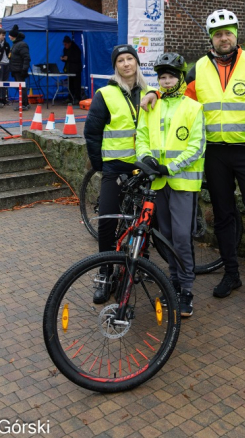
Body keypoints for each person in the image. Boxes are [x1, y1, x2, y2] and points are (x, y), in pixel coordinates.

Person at [182, 9, 245, 311]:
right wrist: (156, 95)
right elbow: (185, 108)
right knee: (223, 217)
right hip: (215, 154)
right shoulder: (197, 69)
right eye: (218, 34)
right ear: (211, 38)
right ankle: (232, 274)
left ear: (236, 33)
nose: (224, 38)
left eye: (228, 32)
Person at [84, 45, 158, 304]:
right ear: (115, 66)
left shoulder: (150, 92)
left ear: (137, 63)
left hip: (142, 166)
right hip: (114, 166)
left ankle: (140, 262)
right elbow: (92, 133)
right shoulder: (105, 93)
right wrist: (100, 165)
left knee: (145, 219)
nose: (126, 64)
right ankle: (104, 273)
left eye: (130, 59)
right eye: (121, 60)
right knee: (107, 220)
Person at [135, 53, 205, 317]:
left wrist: (170, 167)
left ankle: (186, 289)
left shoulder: (193, 107)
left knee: (182, 238)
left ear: (180, 77)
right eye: (162, 77)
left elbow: (196, 146)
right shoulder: (151, 104)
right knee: (165, 236)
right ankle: (174, 283)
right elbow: (141, 136)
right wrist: (146, 159)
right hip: (158, 181)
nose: (166, 81)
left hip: (183, 182)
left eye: (171, 76)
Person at [8, 25, 30, 111]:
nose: (9, 37)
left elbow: (26, 58)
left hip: (19, 70)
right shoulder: (16, 44)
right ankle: (25, 103)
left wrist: (24, 69)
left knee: (21, 87)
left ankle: (24, 104)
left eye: (10, 35)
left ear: (14, 36)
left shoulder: (21, 45)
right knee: (21, 87)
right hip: (16, 69)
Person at [61, 35, 83, 105]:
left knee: (76, 85)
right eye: (64, 44)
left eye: (66, 44)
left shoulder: (76, 49)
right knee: (70, 85)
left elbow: (77, 59)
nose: (65, 46)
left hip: (76, 70)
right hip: (69, 70)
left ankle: (77, 98)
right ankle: (70, 97)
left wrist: (68, 58)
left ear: (69, 43)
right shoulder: (65, 49)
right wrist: (63, 58)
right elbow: (66, 58)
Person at [0, 28, 11, 107]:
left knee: (5, 82)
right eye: (2, 35)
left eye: (4, 35)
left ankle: (4, 98)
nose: (3, 37)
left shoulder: (6, 44)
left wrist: (9, 59)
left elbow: (9, 53)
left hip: (6, 63)